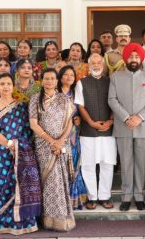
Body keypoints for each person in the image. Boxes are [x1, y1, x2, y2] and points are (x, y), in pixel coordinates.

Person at [0, 73, 41, 235]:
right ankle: (6, 224)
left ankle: (26, 223)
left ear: (13, 86)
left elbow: (28, 128)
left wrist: (22, 147)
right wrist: (9, 144)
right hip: (2, 153)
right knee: (4, 185)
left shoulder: (20, 105)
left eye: (8, 84)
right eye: (2, 84)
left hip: (23, 152)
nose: (5, 87)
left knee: (22, 186)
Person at [108, 43, 145, 211]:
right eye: (131, 56)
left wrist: (139, 117)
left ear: (141, 58)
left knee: (140, 163)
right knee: (126, 163)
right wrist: (126, 117)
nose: (134, 59)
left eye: (137, 56)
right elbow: (112, 100)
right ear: (126, 58)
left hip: (143, 127)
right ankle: (125, 197)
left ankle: (138, 196)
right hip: (123, 126)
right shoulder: (116, 76)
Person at [29, 68, 75, 231]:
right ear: (42, 81)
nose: (49, 81)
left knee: (59, 181)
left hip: (61, 145)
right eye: (46, 78)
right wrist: (51, 142)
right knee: (48, 182)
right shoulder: (35, 98)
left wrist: (60, 141)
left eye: (52, 79)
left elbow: (70, 122)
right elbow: (33, 124)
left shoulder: (64, 99)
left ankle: (61, 218)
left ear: (57, 81)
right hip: (43, 146)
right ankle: (47, 219)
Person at [76, 54, 117, 210]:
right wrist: (92, 123)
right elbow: (80, 106)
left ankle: (105, 196)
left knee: (107, 164)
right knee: (88, 165)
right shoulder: (82, 83)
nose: (96, 64)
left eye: (99, 62)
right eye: (93, 62)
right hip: (88, 130)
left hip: (108, 130)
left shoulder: (111, 82)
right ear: (88, 64)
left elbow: (116, 103)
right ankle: (92, 197)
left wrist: (111, 121)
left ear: (103, 64)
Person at [58, 65, 87, 209]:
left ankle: (73, 198)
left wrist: (79, 119)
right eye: (66, 74)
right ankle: (61, 198)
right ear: (60, 76)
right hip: (57, 133)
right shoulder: (55, 93)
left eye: (71, 75)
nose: (69, 77)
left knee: (73, 162)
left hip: (73, 134)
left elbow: (81, 111)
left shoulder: (76, 93)